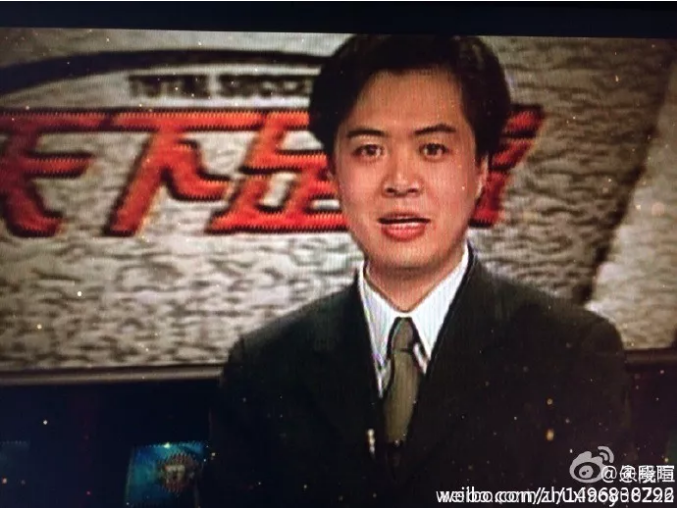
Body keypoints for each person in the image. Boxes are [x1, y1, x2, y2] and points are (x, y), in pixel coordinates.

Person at [196, 35, 634, 508]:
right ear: (333, 175)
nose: (401, 182)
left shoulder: (571, 355)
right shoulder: (263, 370)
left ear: (482, 169)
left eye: (433, 149)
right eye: (369, 150)